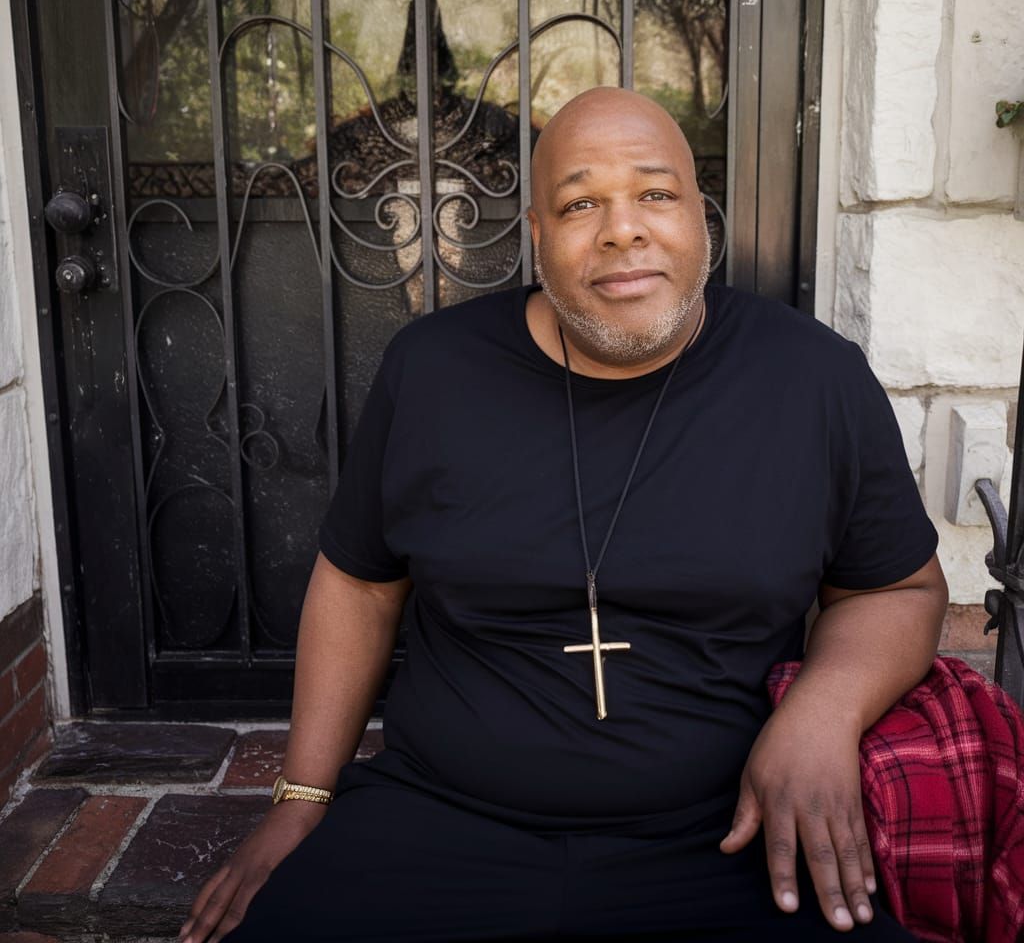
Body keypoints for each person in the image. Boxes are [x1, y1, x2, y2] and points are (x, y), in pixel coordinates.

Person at [179, 88, 948, 942]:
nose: (623, 228)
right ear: (537, 236)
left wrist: (824, 710)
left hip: (729, 827)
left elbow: (898, 589)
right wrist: (301, 799)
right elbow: (359, 586)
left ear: (702, 217)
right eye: (582, 203)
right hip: (440, 819)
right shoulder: (433, 371)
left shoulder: (814, 379)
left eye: (655, 193)